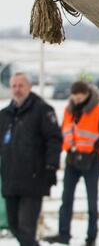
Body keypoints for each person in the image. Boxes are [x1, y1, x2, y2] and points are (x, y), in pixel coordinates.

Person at [44, 81, 99, 246]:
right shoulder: (68, 110)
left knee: (92, 201)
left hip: (91, 161)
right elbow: (65, 130)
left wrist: (96, 147)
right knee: (66, 199)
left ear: (86, 94)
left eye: (80, 96)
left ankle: (91, 238)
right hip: (72, 159)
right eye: (74, 97)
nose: (77, 100)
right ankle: (64, 235)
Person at [0, 73, 62, 246]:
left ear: (29, 87)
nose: (17, 90)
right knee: (14, 226)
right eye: (14, 86)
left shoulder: (43, 110)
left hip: (34, 178)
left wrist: (51, 166)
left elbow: (54, 140)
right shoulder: (5, 115)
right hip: (10, 179)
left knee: (26, 228)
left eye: (21, 85)